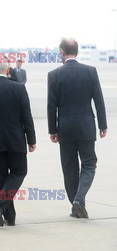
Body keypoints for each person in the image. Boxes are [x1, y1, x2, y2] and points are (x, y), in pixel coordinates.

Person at [47, 38, 107, 219]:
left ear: (62, 52)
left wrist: (52, 130)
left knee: (69, 167)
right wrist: (102, 125)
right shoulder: (90, 71)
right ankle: (79, 201)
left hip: (65, 128)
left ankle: (76, 202)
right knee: (89, 164)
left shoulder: (54, 74)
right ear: (77, 52)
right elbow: (99, 99)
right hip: (86, 127)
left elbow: (52, 106)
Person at [0, 62, 36, 227]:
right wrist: (31, 140)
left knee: (0, 177)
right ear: (8, 70)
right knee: (19, 172)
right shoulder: (19, 88)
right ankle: (0, 204)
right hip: (16, 139)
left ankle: (8, 216)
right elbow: (26, 116)